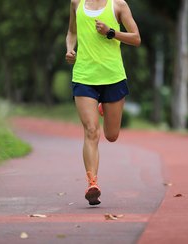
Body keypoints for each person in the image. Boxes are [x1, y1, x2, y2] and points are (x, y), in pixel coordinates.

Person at [65, 0, 141, 205]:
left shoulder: (118, 5)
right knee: (91, 131)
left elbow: (136, 38)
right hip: (84, 77)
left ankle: (103, 106)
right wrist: (70, 49)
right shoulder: (76, 3)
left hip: (113, 77)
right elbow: (72, 32)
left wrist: (111, 32)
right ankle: (92, 183)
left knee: (111, 135)